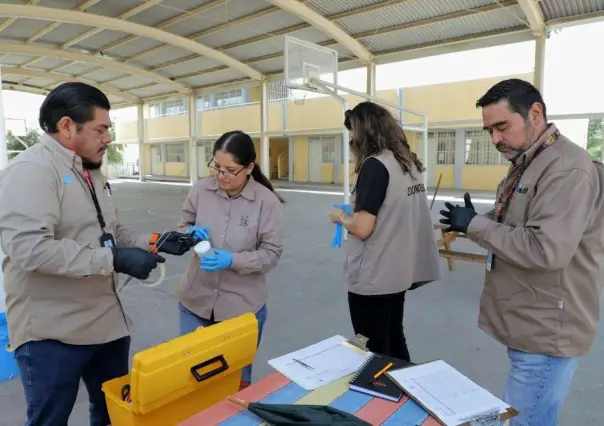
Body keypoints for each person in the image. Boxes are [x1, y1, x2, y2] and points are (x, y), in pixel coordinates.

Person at [0, 82, 196, 426]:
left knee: (112, 416)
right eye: (100, 129)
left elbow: (112, 233)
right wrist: (115, 260)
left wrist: (155, 240)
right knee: (50, 420)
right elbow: (30, 249)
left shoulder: (89, 169)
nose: (108, 138)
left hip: (106, 326)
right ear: (66, 126)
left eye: (109, 129)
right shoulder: (32, 171)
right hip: (53, 335)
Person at [440, 78, 604, 426]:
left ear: (535, 113)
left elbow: (545, 250)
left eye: (501, 126)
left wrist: (475, 226)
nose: (495, 139)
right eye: (489, 130)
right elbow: (518, 225)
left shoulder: (565, 169)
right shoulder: (531, 161)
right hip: (531, 320)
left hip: (547, 333)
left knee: (524, 420)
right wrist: (475, 222)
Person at [329, 102, 442, 362]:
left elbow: (362, 228)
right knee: (393, 336)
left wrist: (341, 217)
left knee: (370, 345)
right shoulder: (407, 164)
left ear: (363, 133)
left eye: (353, 134)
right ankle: (405, 388)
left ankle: (382, 395)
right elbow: (392, 209)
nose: (352, 141)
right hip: (399, 271)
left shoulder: (374, 166)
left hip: (374, 276)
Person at [177, 130, 285, 390]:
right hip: (196, 302)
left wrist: (232, 260)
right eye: (217, 167)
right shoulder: (201, 190)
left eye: (230, 170)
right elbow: (183, 225)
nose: (221, 176)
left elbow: (271, 254)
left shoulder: (266, 202)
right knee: (192, 382)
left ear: (249, 168)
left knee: (233, 385)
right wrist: (188, 233)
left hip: (241, 309)